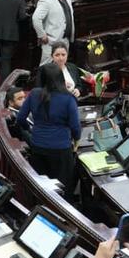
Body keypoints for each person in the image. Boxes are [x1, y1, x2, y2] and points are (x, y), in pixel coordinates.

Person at [17, 63, 81, 192]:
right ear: (61, 77)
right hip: (61, 149)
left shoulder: (34, 94)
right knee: (63, 188)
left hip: (38, 146)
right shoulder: (68, 98)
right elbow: (75, 127)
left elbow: (20, 118)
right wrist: (76, 140)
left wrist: (30, 130)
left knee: (42, 188)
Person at [32, 0, 75, 66]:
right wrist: (42, 35)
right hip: (51, 40)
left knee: (62, 65)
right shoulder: (46, 0)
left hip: (65, 39)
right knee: (46, 66)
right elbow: (36, 18)